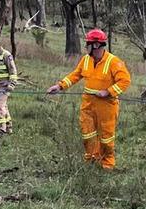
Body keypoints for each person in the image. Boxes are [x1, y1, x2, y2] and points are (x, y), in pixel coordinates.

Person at [47, 28, 131, 169]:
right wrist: (60, 86)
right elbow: (75, 75)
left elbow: (125, 80)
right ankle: (91, 159)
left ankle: (107, 163)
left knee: (106, 137)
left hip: (107, 106)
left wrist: (108, 92)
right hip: (88, 104)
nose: (86, 47)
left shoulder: (113, 62)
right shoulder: (86, 60)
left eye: (89, 44)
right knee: (87, 134)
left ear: (96, 45)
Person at [0, 34, 18, 134]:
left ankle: (1, 129)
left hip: (5, 87)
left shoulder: (6, 55)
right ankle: (9, 127)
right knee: (4, 107)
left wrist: (12, 84)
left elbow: (13, 71)